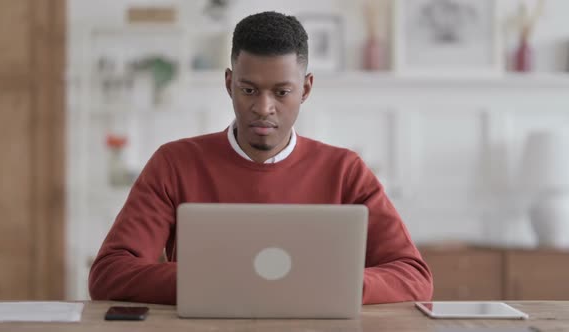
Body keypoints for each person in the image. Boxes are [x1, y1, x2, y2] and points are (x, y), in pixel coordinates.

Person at [89, 11, 433, 305]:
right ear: (229, 84)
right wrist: (221, 283)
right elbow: (110, 273)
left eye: (282, 92)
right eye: (248, 89)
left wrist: (336, 286)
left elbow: (414, 277)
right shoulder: (175, 163)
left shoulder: (345, 171)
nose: (263, 107)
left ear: (306, 89)